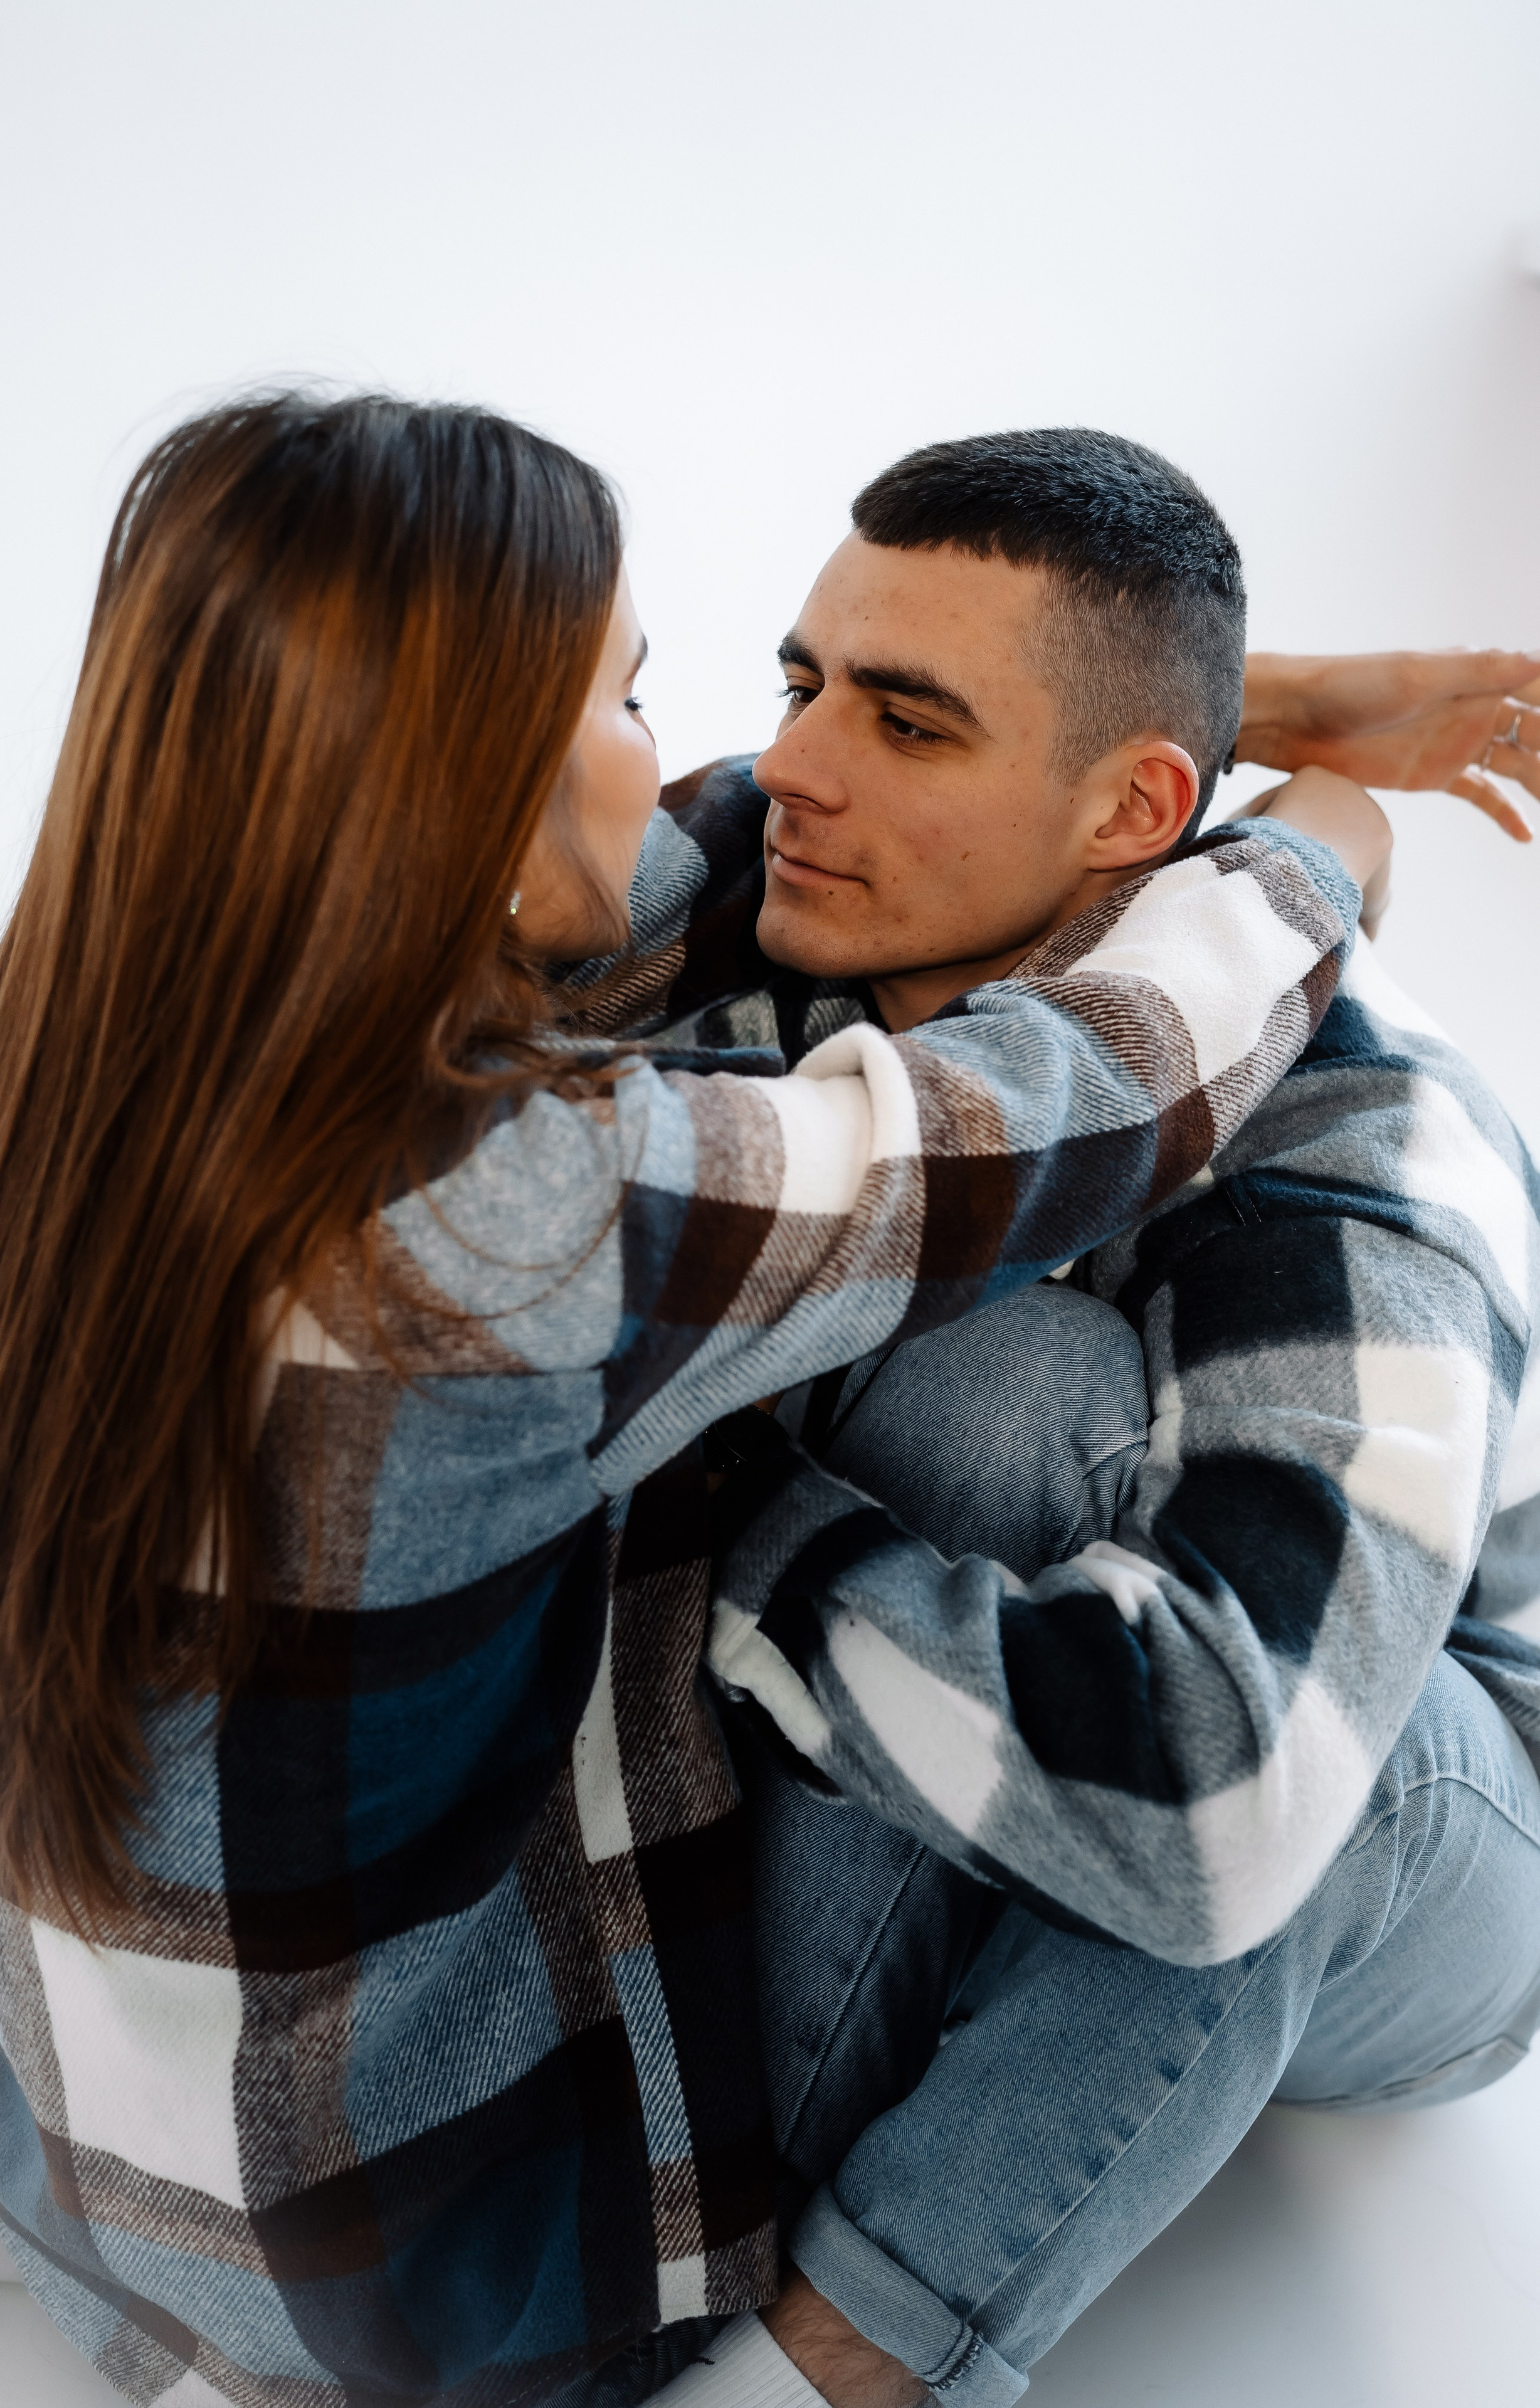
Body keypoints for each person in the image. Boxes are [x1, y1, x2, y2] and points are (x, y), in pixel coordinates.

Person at [0, 394, 1511, 2408]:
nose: (763, 772)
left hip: (108, 2221)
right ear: (455, 784)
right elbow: (1084, 1090)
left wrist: (1228, 717)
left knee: (1316, 1717)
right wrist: (1322, 837)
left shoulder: (46, 1103)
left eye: (900, 717)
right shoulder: (513, 1216)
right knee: (1079, 1478)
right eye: (642, 694)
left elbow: (665, 846)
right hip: (457, 2296)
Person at [581, 431, 1540, 2407]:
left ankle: (821, 2363)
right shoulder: (812, 904)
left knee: (1028, 1419)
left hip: (1433, 1804)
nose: (799, 772)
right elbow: (462, 910)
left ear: (1135, 812)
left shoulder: (1363, 1143)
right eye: (799, 684)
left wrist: (709, 1518)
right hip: (1051, 1689)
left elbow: (1229, 1808)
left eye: (910, 722)